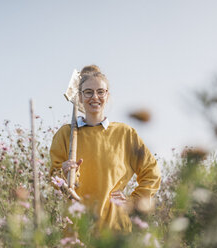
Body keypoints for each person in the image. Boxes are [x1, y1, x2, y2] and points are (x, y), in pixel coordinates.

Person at [49, 65, 161, 232]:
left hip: (116, 229)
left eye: (100, 91)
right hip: (77, 228)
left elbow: (152, 173)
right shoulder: (66, 134)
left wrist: (133, 202)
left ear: (107, 95)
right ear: (79, 97)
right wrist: (64, 174)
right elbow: (55, 177)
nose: (95, 97)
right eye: (88, 92)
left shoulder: (125, 134)